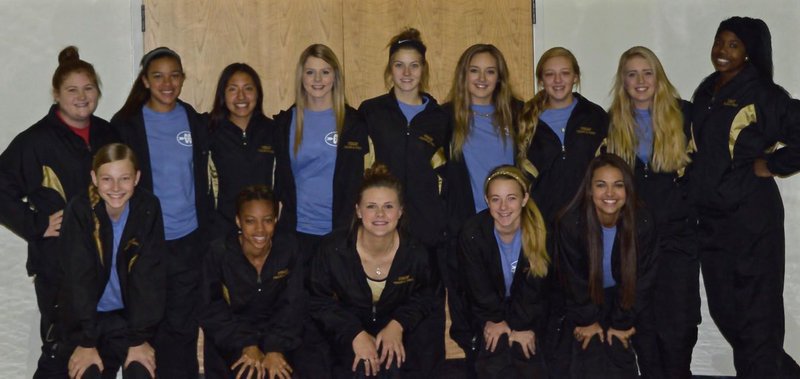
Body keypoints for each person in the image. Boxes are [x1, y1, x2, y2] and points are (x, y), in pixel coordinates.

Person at [690, 16, 800, 377]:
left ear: (749, 52)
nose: (722, 51)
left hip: (752, 220)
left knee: (758, 319)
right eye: (719, 42)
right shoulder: (706, 91)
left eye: (733, 45)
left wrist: (772, 163)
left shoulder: (763, 94)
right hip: (712, 223)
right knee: (726, 313)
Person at [0, 46, 117, 376]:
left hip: (104, 266)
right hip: (58, 268)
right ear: (56, 94)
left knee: (103, 353)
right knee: (62, 356)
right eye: (72, 90)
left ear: (98, 91)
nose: (82, 97)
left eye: (89, 88)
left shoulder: (108, 134)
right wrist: (35, 224)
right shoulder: (35, 142)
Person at [111, 46, 212, 378]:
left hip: (188, 244)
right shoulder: (125, 125)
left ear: (182, 79)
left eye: (174, 75)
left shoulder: (194, 121)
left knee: (182, 334)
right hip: (145, 246)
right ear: (145, 80)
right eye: (158, 76)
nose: (167, 83)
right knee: (144, 335)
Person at [272, 43, 367, 378]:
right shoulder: (287, 121)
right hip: (299, 235)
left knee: (340, 316)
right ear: (302, 76)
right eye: (310, 71)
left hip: (340, 237)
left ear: (335, 76)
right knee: (302, 318)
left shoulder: (352, 121)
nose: (317, 79)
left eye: (325, 72)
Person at [358, 27, 448, 375]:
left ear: (424, 69)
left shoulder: (441, 118)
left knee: (426, 324)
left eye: (414, 65)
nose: (407, 73)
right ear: (389, 70)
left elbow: (450, 173)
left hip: (427, 233)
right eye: (399, 65)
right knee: (383, 321)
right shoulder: (371, 112)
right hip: (382, 234)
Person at [516, 46, 608, 377]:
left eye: (565, 73)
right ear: (540, 79)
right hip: (541, 230)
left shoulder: (596, 118)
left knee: (586, 309)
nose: (558, 80)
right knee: (545, 310)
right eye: (550, 74)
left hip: (586, 229)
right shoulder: (524, 118)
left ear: (576, 77)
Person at [606, 46, 697, 378]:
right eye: (632, 74)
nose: (640, 81)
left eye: (647, 73)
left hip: (678, 241)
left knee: (678, 327)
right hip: (633, 241)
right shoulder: (611, 124)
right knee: (642, 326)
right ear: (623, 81)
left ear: (659, 77)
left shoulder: (686, 116)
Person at [309, 163, 435, 378]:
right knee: (357, 367)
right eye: (371, 206)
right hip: (345, 333)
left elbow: (427, 296)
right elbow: (317, 300)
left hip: (398, 332)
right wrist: (354, 334)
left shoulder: (417, 253)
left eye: (388, 206)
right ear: (358, 210)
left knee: (395, 366)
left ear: (400, 211)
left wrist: (398, 324)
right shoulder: (332, 250)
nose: (380, 214)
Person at [443, 44, 524, 374]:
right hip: (468, 230)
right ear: (464, 75)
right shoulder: (446, 118)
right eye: (474, 70)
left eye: (490, 71)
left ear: (500, 77)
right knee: (471, 318)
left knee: (515, 311)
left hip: (511, 228)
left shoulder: (520, 114)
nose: (482, 78)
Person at [52, 143, 166, 379]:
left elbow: (149, 278)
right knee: (87, 373)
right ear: (94, 178)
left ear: (137, 178)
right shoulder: (80, 210)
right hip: (86, 320)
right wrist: (86, 341)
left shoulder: (148, 207)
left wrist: (139, 339)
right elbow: (77, 279)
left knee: (141, 372)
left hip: (130, 319)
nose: (115, 188)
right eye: (107, 179)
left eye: (124, 178)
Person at [555, 154, 656, 378]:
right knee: (588, 355)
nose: (610, 193)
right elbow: (572, 281)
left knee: (623, 355)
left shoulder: (643, 223)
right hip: (583, 302)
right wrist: (588, 321)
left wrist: (621, 323)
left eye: (617, 185)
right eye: (601, 185)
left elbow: (643, 281)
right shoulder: (570, 223)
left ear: (627, 190)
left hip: (625, 301)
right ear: (589, 190)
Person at [199, 185, 301, 379]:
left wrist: (274, 347)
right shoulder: (219, 253)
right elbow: (210, 307)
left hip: (278, 336)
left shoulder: (289, 249)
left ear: (276, 220)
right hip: (231, 338)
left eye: (267, 220)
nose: (260, 229)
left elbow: (294, 305)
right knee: (249, 373)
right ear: (238, 221)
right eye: (250, 221)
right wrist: (246, 343)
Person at [458, 165, 549, 378]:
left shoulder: (541, 232)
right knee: (494, 353)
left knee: (528, 355)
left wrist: (520, 327)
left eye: (512, 198)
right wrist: (497, 321)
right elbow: (477, 289)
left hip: (531, 312)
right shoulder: (472, 234)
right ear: (487, 201)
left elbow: (537, 291)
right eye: (496, 199)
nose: (503, 207)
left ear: (525, 198)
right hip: (488, 312)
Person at [208, 63, 276, 239]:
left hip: (265, 232)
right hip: (223, 233)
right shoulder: (208, 132)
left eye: (248, 88)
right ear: (223, 94)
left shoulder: (274, 131)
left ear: (258, 93)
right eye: (232, 89)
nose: (241, 96)